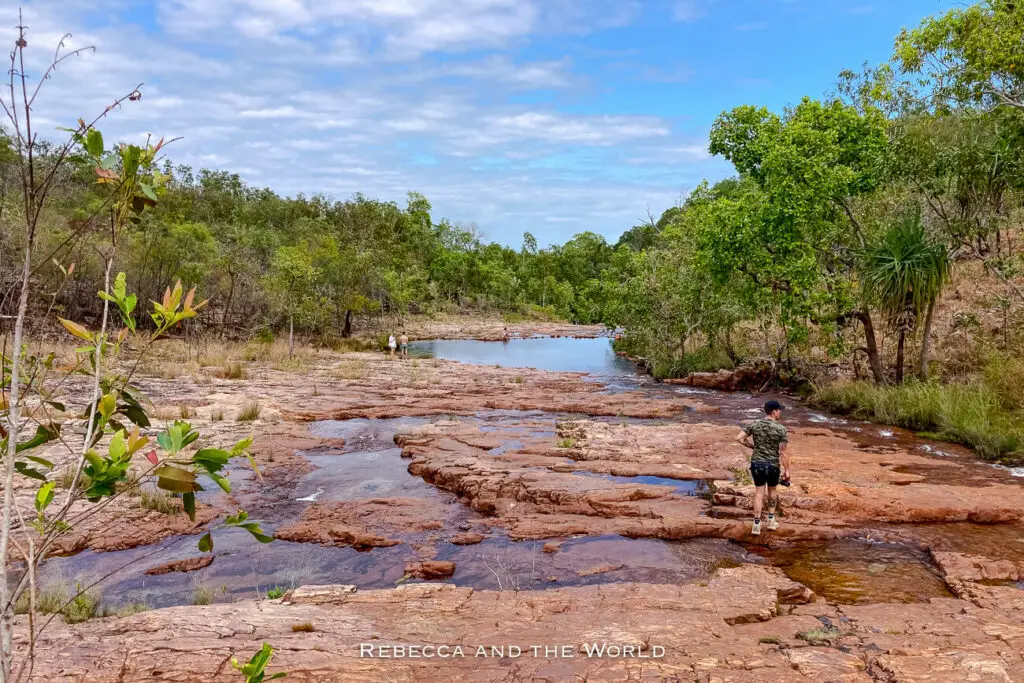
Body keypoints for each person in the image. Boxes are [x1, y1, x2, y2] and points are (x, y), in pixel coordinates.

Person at [735, 399, 791, 536]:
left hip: (757, 464)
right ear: (774, 411)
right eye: (779, 410)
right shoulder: (781, 429)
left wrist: (753, 446)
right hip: (772, 465)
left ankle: (756, 524)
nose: (780, 412)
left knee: (759, 492)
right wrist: (787, 471)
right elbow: (783, 453)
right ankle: (771, 521)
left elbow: (739, 438)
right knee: (772, 491)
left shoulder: (755, 425)